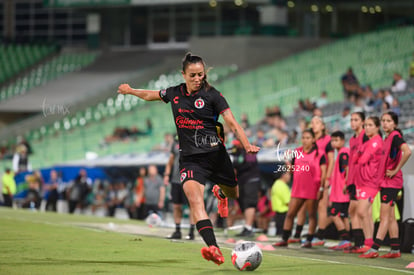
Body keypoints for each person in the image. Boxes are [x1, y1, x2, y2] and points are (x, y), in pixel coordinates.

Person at [117, 52, 259, 266]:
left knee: (233, 193)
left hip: (216, 156)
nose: (197, 79)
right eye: (192, 75)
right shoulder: (174, 93)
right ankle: (214, 248)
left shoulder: (213, 95)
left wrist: (246, 144)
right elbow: (149, 95)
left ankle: (221, 192)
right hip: (191, 160)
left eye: (200, 74)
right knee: (195, 200)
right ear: (183, 74)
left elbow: (232, 122)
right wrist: (130, 91)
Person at [360, 112, 412, 258]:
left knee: (384, 217)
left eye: (388, 121)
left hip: (391, 183)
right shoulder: (387, 138)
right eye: (383, 120)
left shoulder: (395, 136)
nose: (384, 123)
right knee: (389, 217)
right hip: (387, 182)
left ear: (394, 123)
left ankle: (374, 249)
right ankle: (395, 249)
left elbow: (407, 152)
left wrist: (396, 169)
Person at [273, 129, 326, 248]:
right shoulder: (297, 152)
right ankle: (284, 239)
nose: (305, 140)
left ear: (313, 139)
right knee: (290, 214)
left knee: (312, 215)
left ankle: (309, 240)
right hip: (298, 188)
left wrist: (321, 189)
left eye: (308, 138)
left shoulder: (319, 154)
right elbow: (292, 171)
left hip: (312, 189)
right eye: (303, 138)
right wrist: (288, 166)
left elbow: (323, 173)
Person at [347, 116, 383, 254]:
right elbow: (355, 157)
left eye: (370, 125)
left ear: (377, 127)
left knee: (362, 211)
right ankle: (368, 244)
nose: (367, 127)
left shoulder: (375, 142)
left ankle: (370, 243)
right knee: (363, 213)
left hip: (371, 182)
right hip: (361, 182)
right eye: (366, 125)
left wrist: (360, 154)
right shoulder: (367, 142)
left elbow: (361, 160)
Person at [343, 112, 368, 252]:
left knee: (361, 212)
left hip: (363, 180)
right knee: (353, 211)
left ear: (363, 122)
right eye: (351, 120)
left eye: (356, 120)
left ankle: (365, 243)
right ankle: (359, 243)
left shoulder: (366, 137)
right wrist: (348, 180)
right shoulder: (353, 139)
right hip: (353, 180)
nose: (353, 122)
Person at [165, 137, 195, 240]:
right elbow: (171, 160)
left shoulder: (193, 139)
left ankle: (191, 232)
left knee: (192, 206)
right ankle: (177, 231)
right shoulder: (176, 142)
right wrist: (166, 174)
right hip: (176, 180)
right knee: (176, 206)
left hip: (189, 179)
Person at [325, 131, 352, 250]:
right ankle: (347, 241)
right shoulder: (341, 153)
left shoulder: (344, 153)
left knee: (334, 214)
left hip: (341, 193)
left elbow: (347, 168)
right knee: (344, 216)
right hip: (341, 192)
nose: (334, 143)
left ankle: (345, 238)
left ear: (342, 141)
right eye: (332, 140)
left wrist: (346, 184)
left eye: (336, 140)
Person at [311, 116, 334, 246]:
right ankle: (312, 233)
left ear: (323, 126)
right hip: (311, 179)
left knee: (322, 206)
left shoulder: (327, 140)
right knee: (311, 207)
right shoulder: (310, 140)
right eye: (312, 122)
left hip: (322, 177)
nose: (314, 125)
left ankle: (321, 235)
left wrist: (327, 178)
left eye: (317, 122)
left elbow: (331, 160)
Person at [230, 139, 261, 237]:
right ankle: (247, 227)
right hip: (242, 181)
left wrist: (236, 166)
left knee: (249, 203)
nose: (236, 146)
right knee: (243, 203)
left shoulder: (249, 151)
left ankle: (248, 227)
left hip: (251, 180)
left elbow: (247, 164)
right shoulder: (236, 152)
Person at [270, 171, 291, 236]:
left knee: (279, 233)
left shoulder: (276, 184)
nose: (290, 176)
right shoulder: (282, 186)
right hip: (283, 213)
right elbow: (288, 202)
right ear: (283, 175)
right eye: (288, 174)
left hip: (278, 213)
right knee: (283, 235)